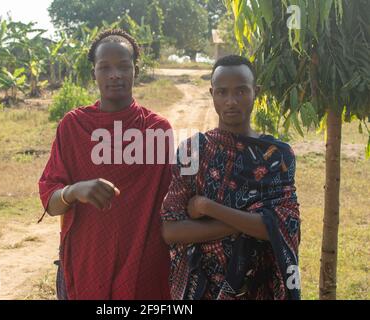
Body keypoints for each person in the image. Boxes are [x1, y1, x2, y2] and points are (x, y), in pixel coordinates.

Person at [38, 29, 172, 300]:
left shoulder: (156, 129)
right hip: (85, 262)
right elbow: (51, 204)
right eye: (105, 67)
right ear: (94, 74)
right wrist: (74, 191)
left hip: (144, 267)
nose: (115, 75)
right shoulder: (73, 126)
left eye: (124, 66)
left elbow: (171, 205)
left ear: (136, 70)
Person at [161, 55, 301, 300]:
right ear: (212, 93)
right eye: (222, 92)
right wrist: (250, 222)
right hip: (203, 289)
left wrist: (208, 207)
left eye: (241, 91)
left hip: (260, 287)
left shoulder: (277, 156)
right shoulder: (193, 152)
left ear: (256, 92)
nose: (231, 101)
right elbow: (171, 230)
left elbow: (285, 227)